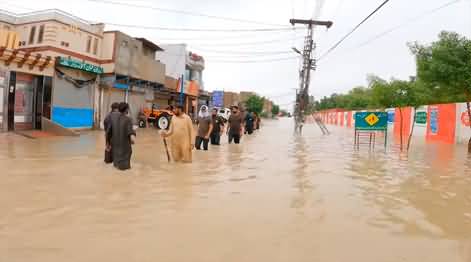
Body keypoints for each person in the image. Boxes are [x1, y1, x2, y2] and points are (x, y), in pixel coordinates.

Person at [106, 102, 136, 171]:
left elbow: (108, 132)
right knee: (125, 172)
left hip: (115, 151)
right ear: (126, 110)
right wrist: (133, 139)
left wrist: (108, 144)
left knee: (116, 168)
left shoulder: (113, 117)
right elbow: (132, 138)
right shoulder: (128, 120)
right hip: (124, 152)